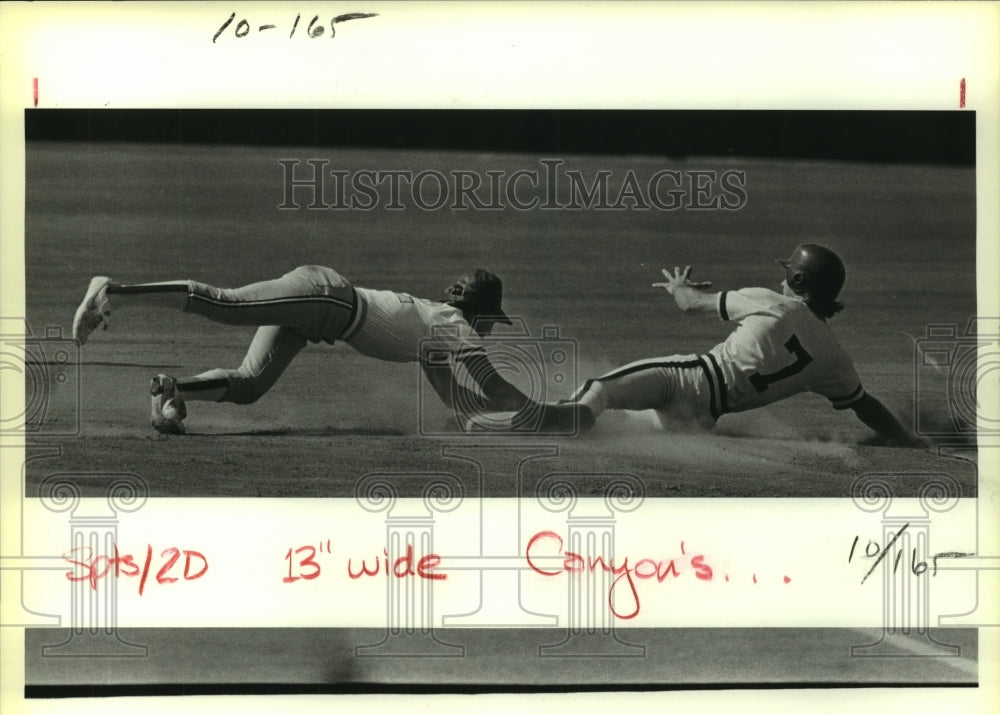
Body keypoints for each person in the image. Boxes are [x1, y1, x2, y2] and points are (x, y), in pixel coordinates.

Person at [540, 243, 925, 447]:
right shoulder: (833, 358)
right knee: (621, 424)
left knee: (600, 388)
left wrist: (679, 286)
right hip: (702, 419)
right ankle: (563, 417)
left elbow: (689, 305)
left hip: (685, 380)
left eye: (788, 275)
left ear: (800, 280)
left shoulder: (772, 302)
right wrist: (904, 438)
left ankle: (564, 416)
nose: (781, 281)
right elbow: (865, 406)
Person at [72, 265, 532, 434]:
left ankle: (173, 392)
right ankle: (112, 291)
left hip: (319, 315)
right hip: (324, 296)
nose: (493, 330)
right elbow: (496, 387)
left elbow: (457, 397)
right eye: (494, 320)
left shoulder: (439, 331)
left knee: (250, 385)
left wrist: (474, 419)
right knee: (226, 304)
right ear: (481, 314)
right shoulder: (457, 326)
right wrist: (545, 414)